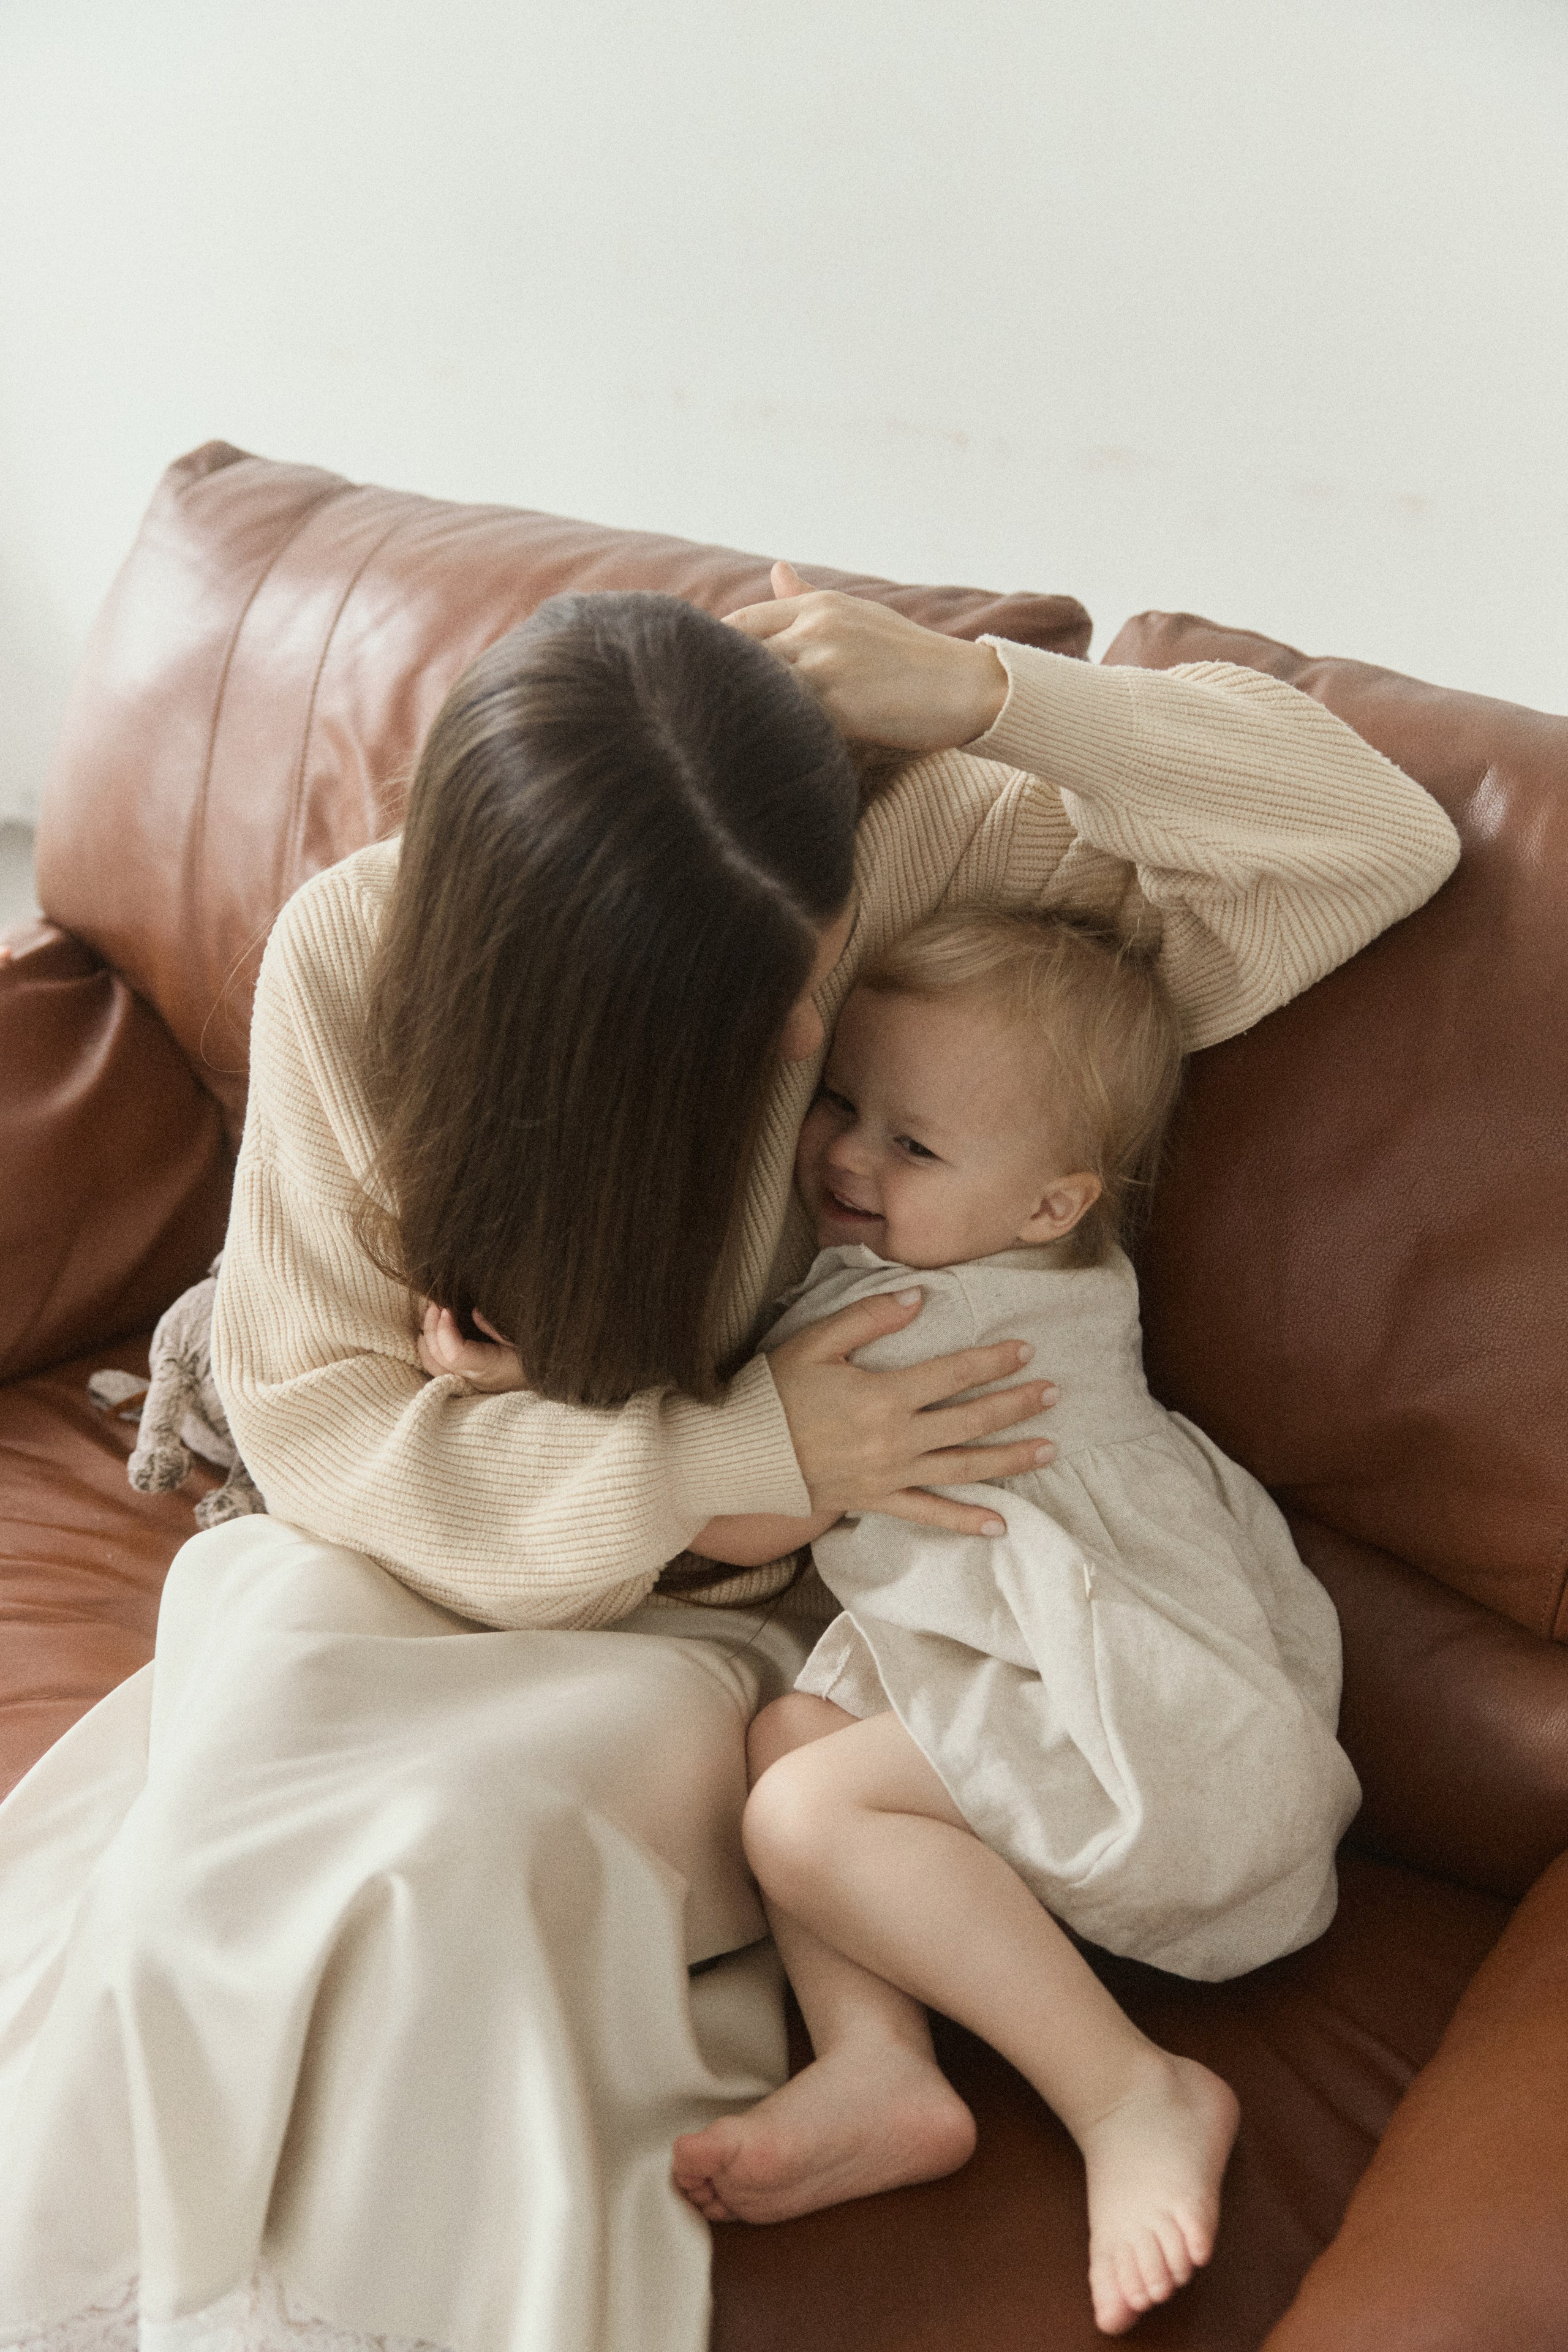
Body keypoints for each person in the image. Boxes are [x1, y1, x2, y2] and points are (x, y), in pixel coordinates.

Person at [0, 566, 1460, 2352]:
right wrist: (726, 1443)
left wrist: (988, 695)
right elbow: (322, 1426)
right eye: (734, 1005)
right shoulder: (354, 962)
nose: (798, 1044)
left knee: (433, 1858)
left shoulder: (910, 852)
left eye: (812, 969)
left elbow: (1370, 841)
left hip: (731, 1613)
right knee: (202, 1846)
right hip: (432, 1537)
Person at [668, 907, 1363, 2335]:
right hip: (1063, 1661)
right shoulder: (1045, 1272)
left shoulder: (897, 1324)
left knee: (799, 1814)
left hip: (1136, 1730)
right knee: (792, 1722)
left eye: (910, 1146)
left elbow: (728, 1521)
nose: (847, 1156)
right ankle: (881, 2066)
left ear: (1052, 1202)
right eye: (840, 1104)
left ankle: (1131, 2091)